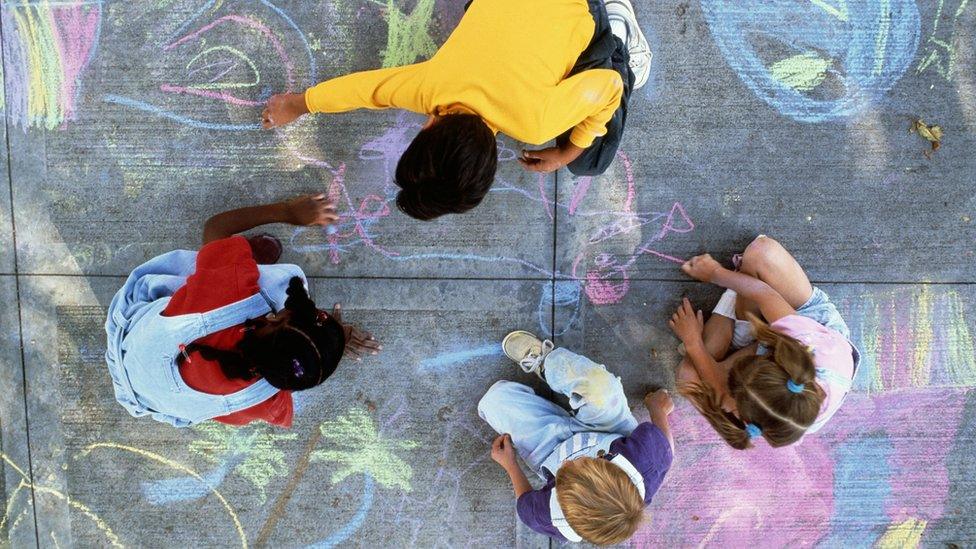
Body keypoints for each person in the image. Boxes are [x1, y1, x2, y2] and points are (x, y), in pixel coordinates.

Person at [260, 0, 653, 220]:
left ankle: (617, 30)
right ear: (429, 125)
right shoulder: (431, 87)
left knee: (591, 159)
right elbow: (365, 90)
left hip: (581, 7)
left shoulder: (534, 121)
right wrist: (298, 104)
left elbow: (610, 88)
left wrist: (571, 150)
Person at [104, 194, 381, 428]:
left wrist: (287, 211)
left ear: (276, 318)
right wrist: (332, 346)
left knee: (282, 283)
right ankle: (230, 258)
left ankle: (234, 257)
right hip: (145, 397)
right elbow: (292, 384)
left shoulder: (226, 297)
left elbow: (216, 227)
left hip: (130, 343)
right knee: (223, 285)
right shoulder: (267, 400)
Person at [479, 331, 673, 545]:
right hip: (608, 429)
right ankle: (547, 363)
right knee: (602, 387)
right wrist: (659, 409)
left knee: (493, 401)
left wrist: (510, 465)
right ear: (610, 465)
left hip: (550, 451)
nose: (570, 461)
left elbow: (525, 502)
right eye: (586, 463)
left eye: (566, 473)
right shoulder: (645, 463)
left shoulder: (556, 518)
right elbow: (665, 448)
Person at [669, 235, 861, 449]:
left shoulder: (770, 417)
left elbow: (723, 394)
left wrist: (694, 343)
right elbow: (764, 294)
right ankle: (740, 306)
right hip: (809, 323)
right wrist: (714, 273)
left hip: (775, 354)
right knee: (762, 252)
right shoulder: (807, 342)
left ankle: (739, 309)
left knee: (687, 377)